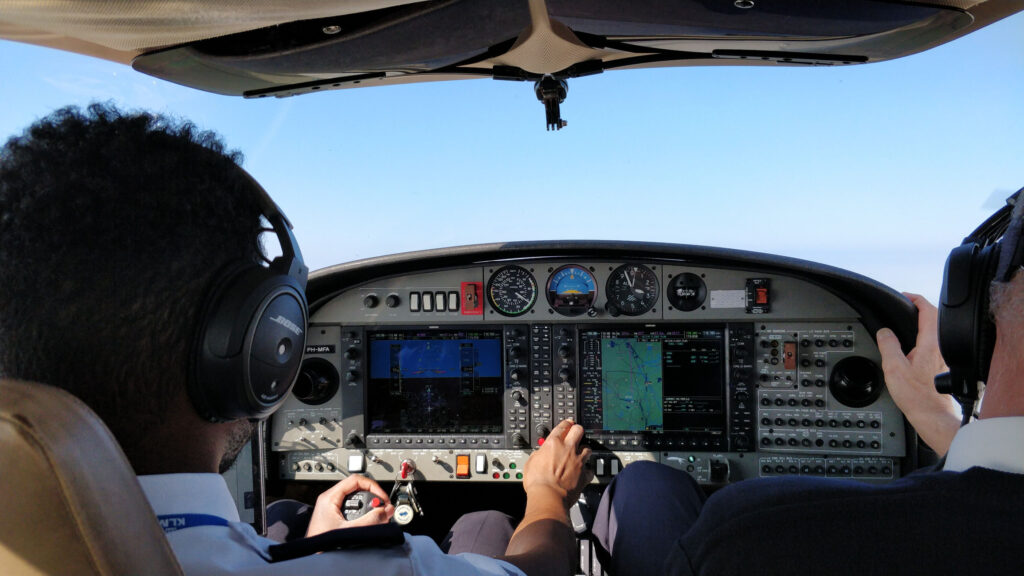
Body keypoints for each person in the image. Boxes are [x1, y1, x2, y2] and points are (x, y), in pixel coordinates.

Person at [0, 104, 591, 576]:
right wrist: (545, 493)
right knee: (488, 519)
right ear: (257, 355)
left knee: (282, 515)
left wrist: (308, 548)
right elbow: (540, 566)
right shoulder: (389, 567)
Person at [590, 286, 1024, 574]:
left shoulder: (751, 530)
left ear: (971, 330)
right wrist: (940, 424)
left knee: (644, 480)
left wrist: (549, 504)